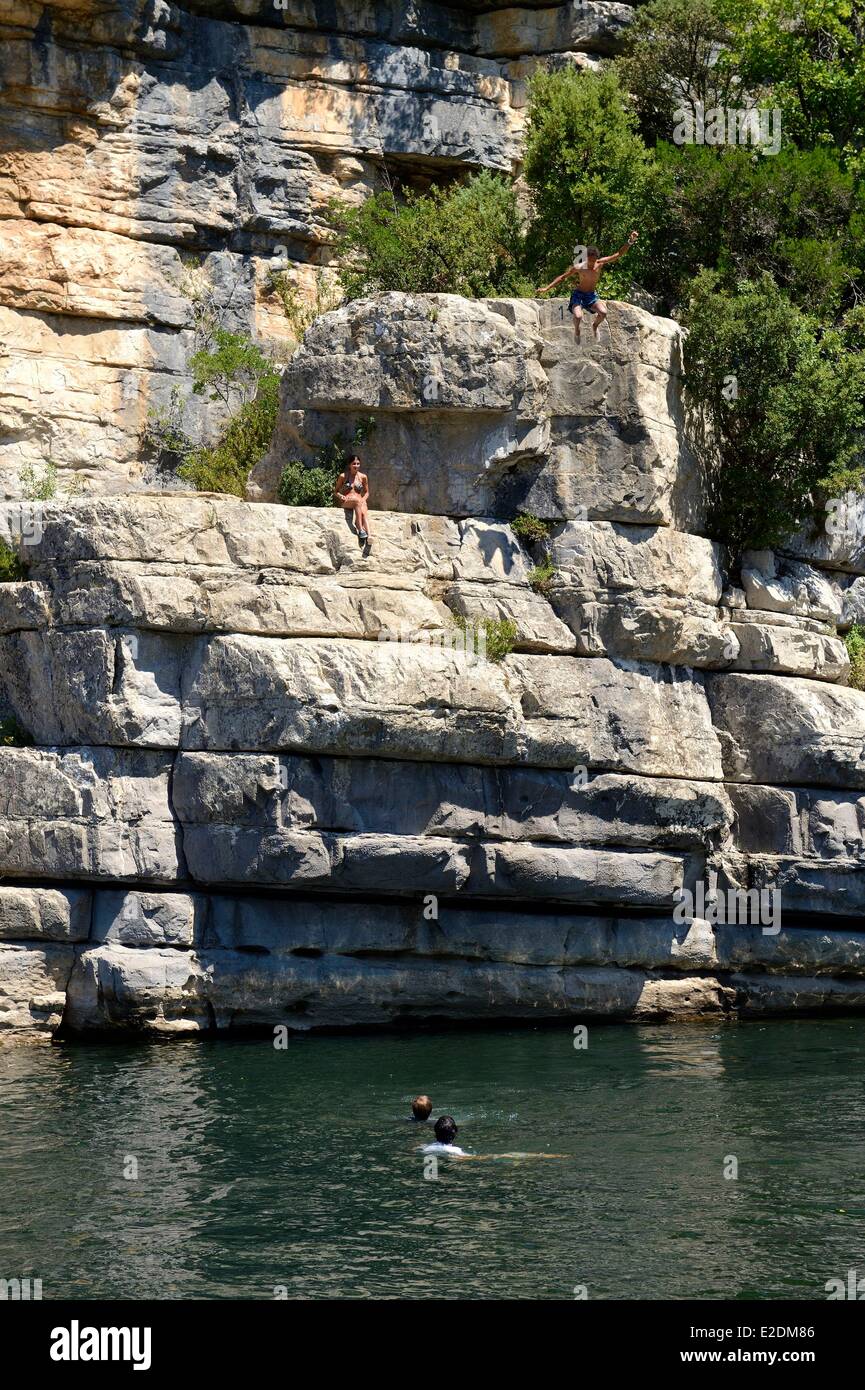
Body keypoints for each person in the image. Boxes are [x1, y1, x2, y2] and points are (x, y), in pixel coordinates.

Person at [536, 231, 639, 344]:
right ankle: (577, 330)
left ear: (596, 258)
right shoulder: (579, 267)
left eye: (593, 260)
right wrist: (547, 288)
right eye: (589, 260)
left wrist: (630, 242)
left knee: (603, 313)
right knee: (578, 316)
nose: (591, 263)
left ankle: (594, 326)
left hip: (591, 295)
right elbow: (562, 277)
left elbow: (619, 254)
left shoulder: (600, 263)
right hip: (578, 294)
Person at [333, 453, 372, 548]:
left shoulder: (363, 477)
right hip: (348, 501)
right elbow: (336, 491)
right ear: (349, 465)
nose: (356, 466)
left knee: (364, 513)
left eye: (358, 463)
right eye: (354, 463)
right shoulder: (343, 476)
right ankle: (359, 528)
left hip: (359, 499)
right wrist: (341, 496)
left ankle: (369, 536)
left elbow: (367, 493)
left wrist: (363, 500)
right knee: (357, 502)